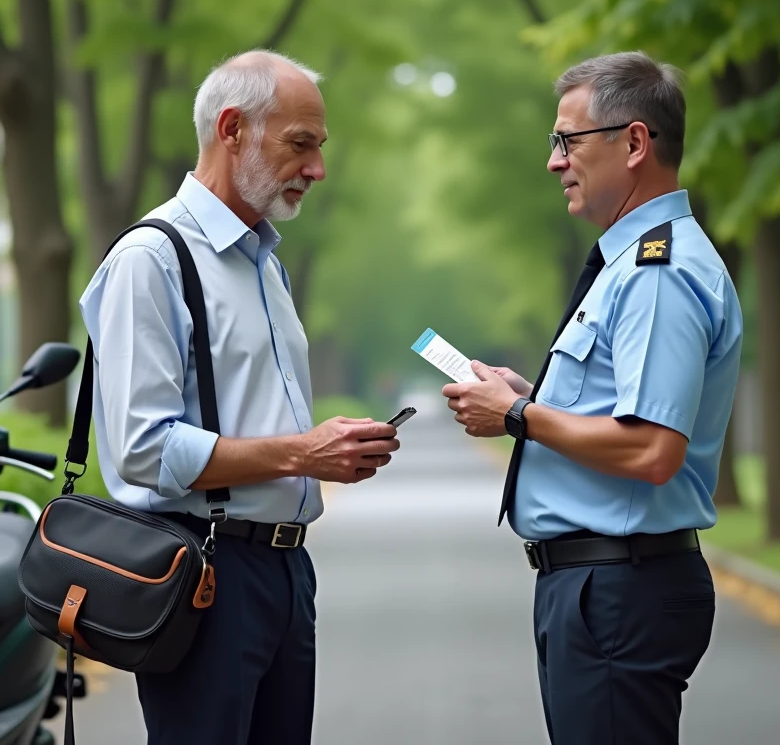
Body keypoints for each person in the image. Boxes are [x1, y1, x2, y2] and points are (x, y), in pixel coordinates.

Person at [78, 49, 401, 745]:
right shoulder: (151, 260)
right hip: (204, 575)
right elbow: (142, 451)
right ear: (232, 129)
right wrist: (303, 453)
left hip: (286, 573)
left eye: (319, 146)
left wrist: (326, 451)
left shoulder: (265, 264)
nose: (317, 168)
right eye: (300, 144)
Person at [441, 51, 743, 744]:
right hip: (603, 584)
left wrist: (517, 414)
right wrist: (532, 398)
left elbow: (652, 449)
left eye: (568, 141)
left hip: (619, 586)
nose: (554, 162)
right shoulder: (631, 263)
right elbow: (621, 412)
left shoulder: (655, 273)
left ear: (634, 143)